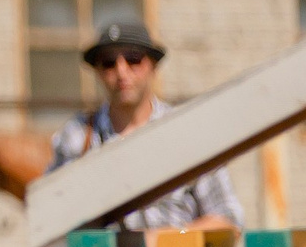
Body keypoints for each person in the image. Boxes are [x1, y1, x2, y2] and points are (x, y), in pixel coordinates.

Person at [48, 21, 242, 230]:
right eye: (109, 62)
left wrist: (164, 242)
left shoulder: (186, 131)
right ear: (98, 72)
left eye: (133, 59)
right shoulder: (77, 135)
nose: (122, 72)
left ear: (153, 67)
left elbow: (228, 219)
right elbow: (51, 216)